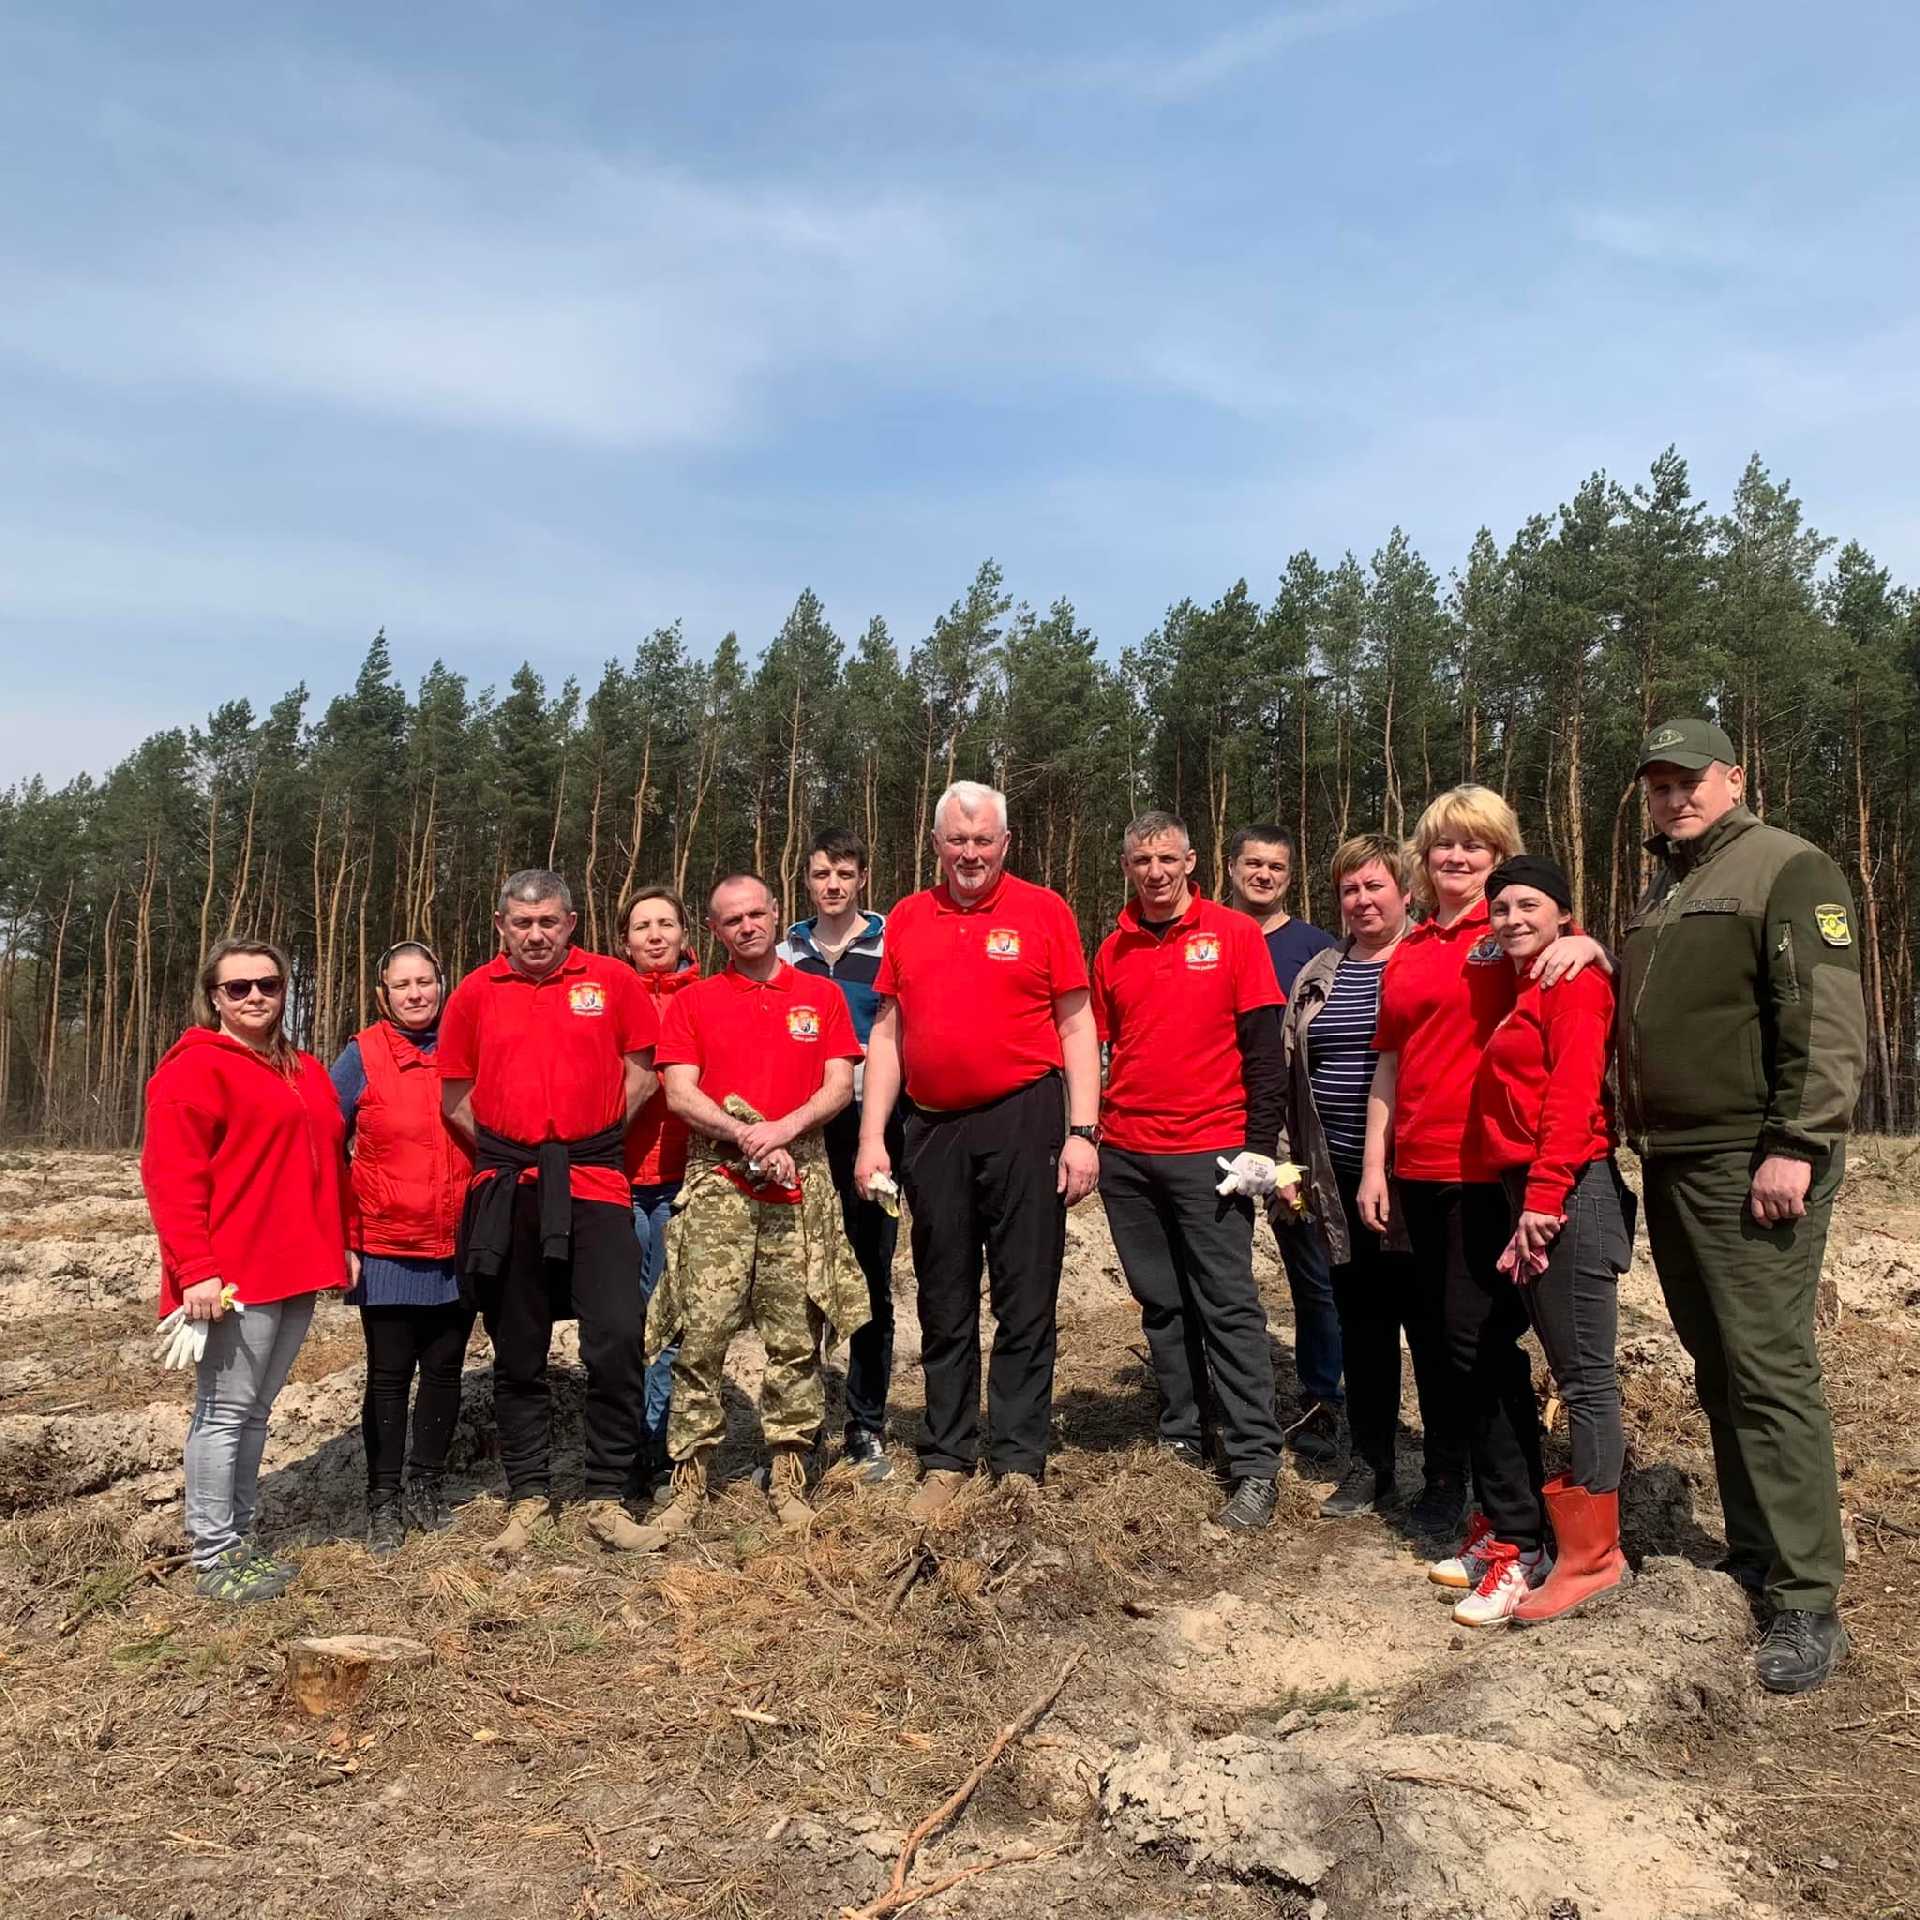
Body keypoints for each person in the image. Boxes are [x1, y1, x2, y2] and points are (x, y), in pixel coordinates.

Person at [1621, 718, 1867, 1692]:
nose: (1674, 796)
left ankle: (1808, 1599)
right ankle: (1759, 1554)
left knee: (1768, 1369)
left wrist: (1797, 1146)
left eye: (1690, 780)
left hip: (1753, 1161)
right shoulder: (1668, 884)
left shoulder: (1788, 870)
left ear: (1734, 776)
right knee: (1719, 1367)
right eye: (1658, 784)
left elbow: (1826, 1019)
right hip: (1676, 1160)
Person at [1357, 787, 1605, 1620]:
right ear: (1422, 860)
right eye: (1442, 847)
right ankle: (1501, 1517)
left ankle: (1522, 1537)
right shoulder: (1413, 944)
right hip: (1418, 1171)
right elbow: (1391, 1057)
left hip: (1482, 1175)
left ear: (1500, 856)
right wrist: (1374, 1164)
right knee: (1453, 1350)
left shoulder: (1510, 939)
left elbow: (1577, 980)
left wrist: (1589, 942)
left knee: (1483, 1349)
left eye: (1476, 847)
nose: (1456, 860)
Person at [854, 780, 1101, 1519]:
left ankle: (1019, 1456)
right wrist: (873, 1137)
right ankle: (946, 1454)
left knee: (1027, 1292)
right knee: (943, 1291)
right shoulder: (907, 916)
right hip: (932, 1128)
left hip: (1025, 1117)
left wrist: (1082, 1133)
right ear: (936, 846)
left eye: (982, 840)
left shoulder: (1044, 910)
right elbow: (889, 1034)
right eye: (956, 840)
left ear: (1005, 844)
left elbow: (1078, 1025)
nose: (970, 853)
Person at [640, 873, 871, 1544]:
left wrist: (783, 1130)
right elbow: (680, 1093)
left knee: (796, 1337)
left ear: (776, 915)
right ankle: (687, 1485)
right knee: (701, 1335)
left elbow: (837, 1085)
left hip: (802, 1180)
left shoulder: (819, 997)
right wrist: (745, 1134)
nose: (747, 926)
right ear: (714, 931)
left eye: (756, 913)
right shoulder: (695, 1003)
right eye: (730, 919)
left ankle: (790, 1476)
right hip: (719, 1185)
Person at [439, 869, 660, 1555]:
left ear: (571, 923)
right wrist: (513, 1147)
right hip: (511, 1192)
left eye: (549, 922)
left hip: (596, 1186)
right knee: (519, 1349)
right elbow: (455, 1096)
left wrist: (587, 1141)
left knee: (618, 1338)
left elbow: (645, 1072)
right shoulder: (475, 993)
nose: (536, 934)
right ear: (501, 926)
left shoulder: (614, 983)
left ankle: (606, 1494)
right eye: (522, 923)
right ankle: (530, 1492)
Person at [1092, 811, 1290, 1531]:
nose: (1154, 871)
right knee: (1162, 1304)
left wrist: (1259, 1146)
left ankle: (1255, 1463)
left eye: (1167, 858)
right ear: (1126, 865)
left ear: (1191, 860)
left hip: (1210, 1153)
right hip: (1127, 1155)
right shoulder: (1111, 950)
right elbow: (1107, 1049)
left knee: (1227, 1306)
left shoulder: (1233, 935)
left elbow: (1265, 1052)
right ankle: (1181, 1433)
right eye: (1141, 859)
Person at [140, 938, 352, 1601]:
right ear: (214, 999)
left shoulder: (306, 1070)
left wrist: (341, 1241)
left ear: (286, 992)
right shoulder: (191, 1071)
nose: (255, 996)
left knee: (257, 1412)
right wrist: (195, 1270)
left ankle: (241, 1536)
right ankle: (214, 1555)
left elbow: (332, 1161)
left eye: (267, 984)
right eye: (239, 988)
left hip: (297, 1267)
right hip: (233, 1274)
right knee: (224, 1413)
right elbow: (171, 1178)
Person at [1472, 855, 1635, 1622]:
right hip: (1537, 1189)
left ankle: (1593, 1558)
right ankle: (1581, 1545)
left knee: (1585, 1377)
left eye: (1529, 906)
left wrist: (1542, 1200)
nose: (1512, 920)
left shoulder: (1574, 984)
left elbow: (1572, 1094)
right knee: (1571, 1368)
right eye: (1500, 908)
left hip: (1570, 1190)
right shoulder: (1531, 980)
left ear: (1563, 913)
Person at [1277, 837, 1439, 1523]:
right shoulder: (1321, 971)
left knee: (1433, 1329)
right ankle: (1370, 1465)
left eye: (1376, 887)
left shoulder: (1433, 959)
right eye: (1350, 890)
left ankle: (1445, 1477)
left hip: (1423, 1179)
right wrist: (1289, 1163)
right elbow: (1292, 1071)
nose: (1363, 901)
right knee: (1363, 1325)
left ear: (1406, 892)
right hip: (1337, 1178)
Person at [331, 941, 475, 1555]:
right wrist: (341, 1236)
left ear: (443, 983)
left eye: (425, 982)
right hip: (386, 1244)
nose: (416, 994)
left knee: (444, 1370)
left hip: (459, 1241)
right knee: (389, 1374)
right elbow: (325, 1143)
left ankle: (428, 1485)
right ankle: (383, 1496)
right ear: (382, 995)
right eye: (402, 986)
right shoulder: (360, 1056)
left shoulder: (467, 1044)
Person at [778, 828, 904, 1481]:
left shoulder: (891, 945)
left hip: (873, 1130)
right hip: (800, 1134)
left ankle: (865, 1425)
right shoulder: (783, 953)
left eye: (845, 874)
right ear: (806, 880)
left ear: (862, 879)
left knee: (869, 1283)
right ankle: (793, 1431)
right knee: (796, 1285)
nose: (833, 885)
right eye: (821, 873)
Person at [1229, 823, 1343, 1468]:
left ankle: (1322, 1398)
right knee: (1217, 1268)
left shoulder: (1316, 948)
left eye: (1276, 866)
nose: (1264, 875)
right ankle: (1222, 1393)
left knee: (1313, 1270)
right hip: (1218, 1124)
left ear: (1289, 876)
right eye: (1253, 863)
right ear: (1231, 868)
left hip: (1292, 1134)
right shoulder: (1209, 934)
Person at [620, 886, 701, 1500]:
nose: (654, 935)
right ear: (625, 940)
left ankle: (662, 1440)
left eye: (665, 923)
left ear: (683, 933)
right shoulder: (609, 999)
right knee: (625, 1319)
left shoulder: (706, 998)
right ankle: (622, 1443)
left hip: (684, 1181)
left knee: (672, 1317)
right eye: (642, 925)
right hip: (618, 1181)